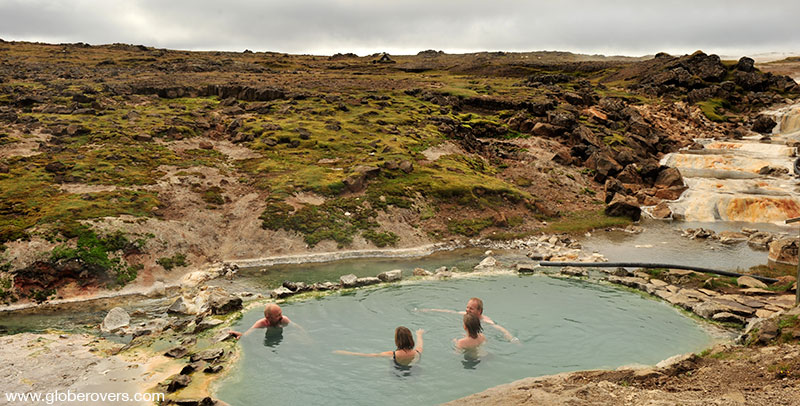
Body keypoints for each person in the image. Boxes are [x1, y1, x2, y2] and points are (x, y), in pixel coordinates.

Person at [419, 297, 517, 342]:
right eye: (467, 307)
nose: (467, 310)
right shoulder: (465, 314)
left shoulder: (486, 321)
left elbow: (500, 328)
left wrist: (512, 338)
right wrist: (428, 310)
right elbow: (448, 312)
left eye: (471, 309)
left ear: (480, 311)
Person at [334, 327, 424, 366]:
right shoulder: (417, 352)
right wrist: (419, 334)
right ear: (410, 339)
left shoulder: (392, 354)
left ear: (397, 340)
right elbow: (420, 344)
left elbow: (368, 355)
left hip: (398, 373)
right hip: (414, 372)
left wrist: (346, 352)